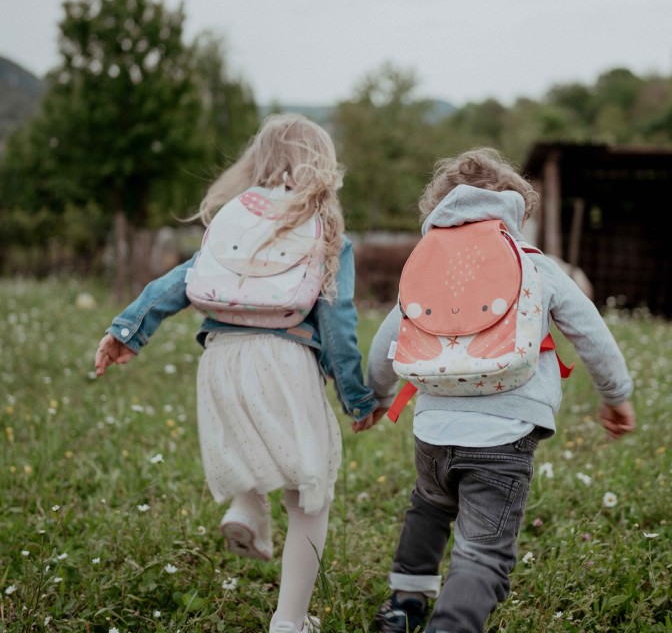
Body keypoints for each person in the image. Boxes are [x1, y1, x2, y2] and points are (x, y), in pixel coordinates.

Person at [94, 114, 380, 633]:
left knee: (253, 444)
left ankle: (246, 510)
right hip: (285, 361)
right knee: (308, 493)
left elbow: (180, 280)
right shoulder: (326, 231)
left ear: (257, 162)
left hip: (221, 359)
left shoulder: (231, 220)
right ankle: (289, 622)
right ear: (324, 167)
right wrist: (357, 400)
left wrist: (127, 332)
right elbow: (338, 324)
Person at [366, 148, 635, 633]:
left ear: (439, 208)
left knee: (428, 505)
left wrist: (379, 395)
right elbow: (592, 334)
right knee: (483, 554)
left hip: (433, 431)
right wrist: (616, 395)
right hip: (504, 438)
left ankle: (404, 606)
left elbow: (388, 340)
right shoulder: (533, 262)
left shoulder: (426, 267)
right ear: (515, 208)